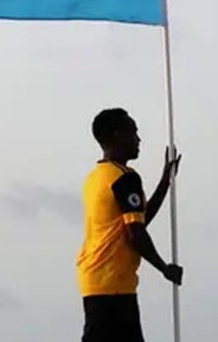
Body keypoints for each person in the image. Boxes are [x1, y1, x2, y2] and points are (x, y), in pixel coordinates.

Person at [76, 107, 183, 342]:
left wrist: (165, 182)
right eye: (133, 132)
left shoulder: (96, 177)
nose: (138, 139)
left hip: (101, 280)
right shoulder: (125, 178)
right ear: (118, 135)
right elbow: (135, 234)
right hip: (111, 282)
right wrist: (164, 268)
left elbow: (136, 222)